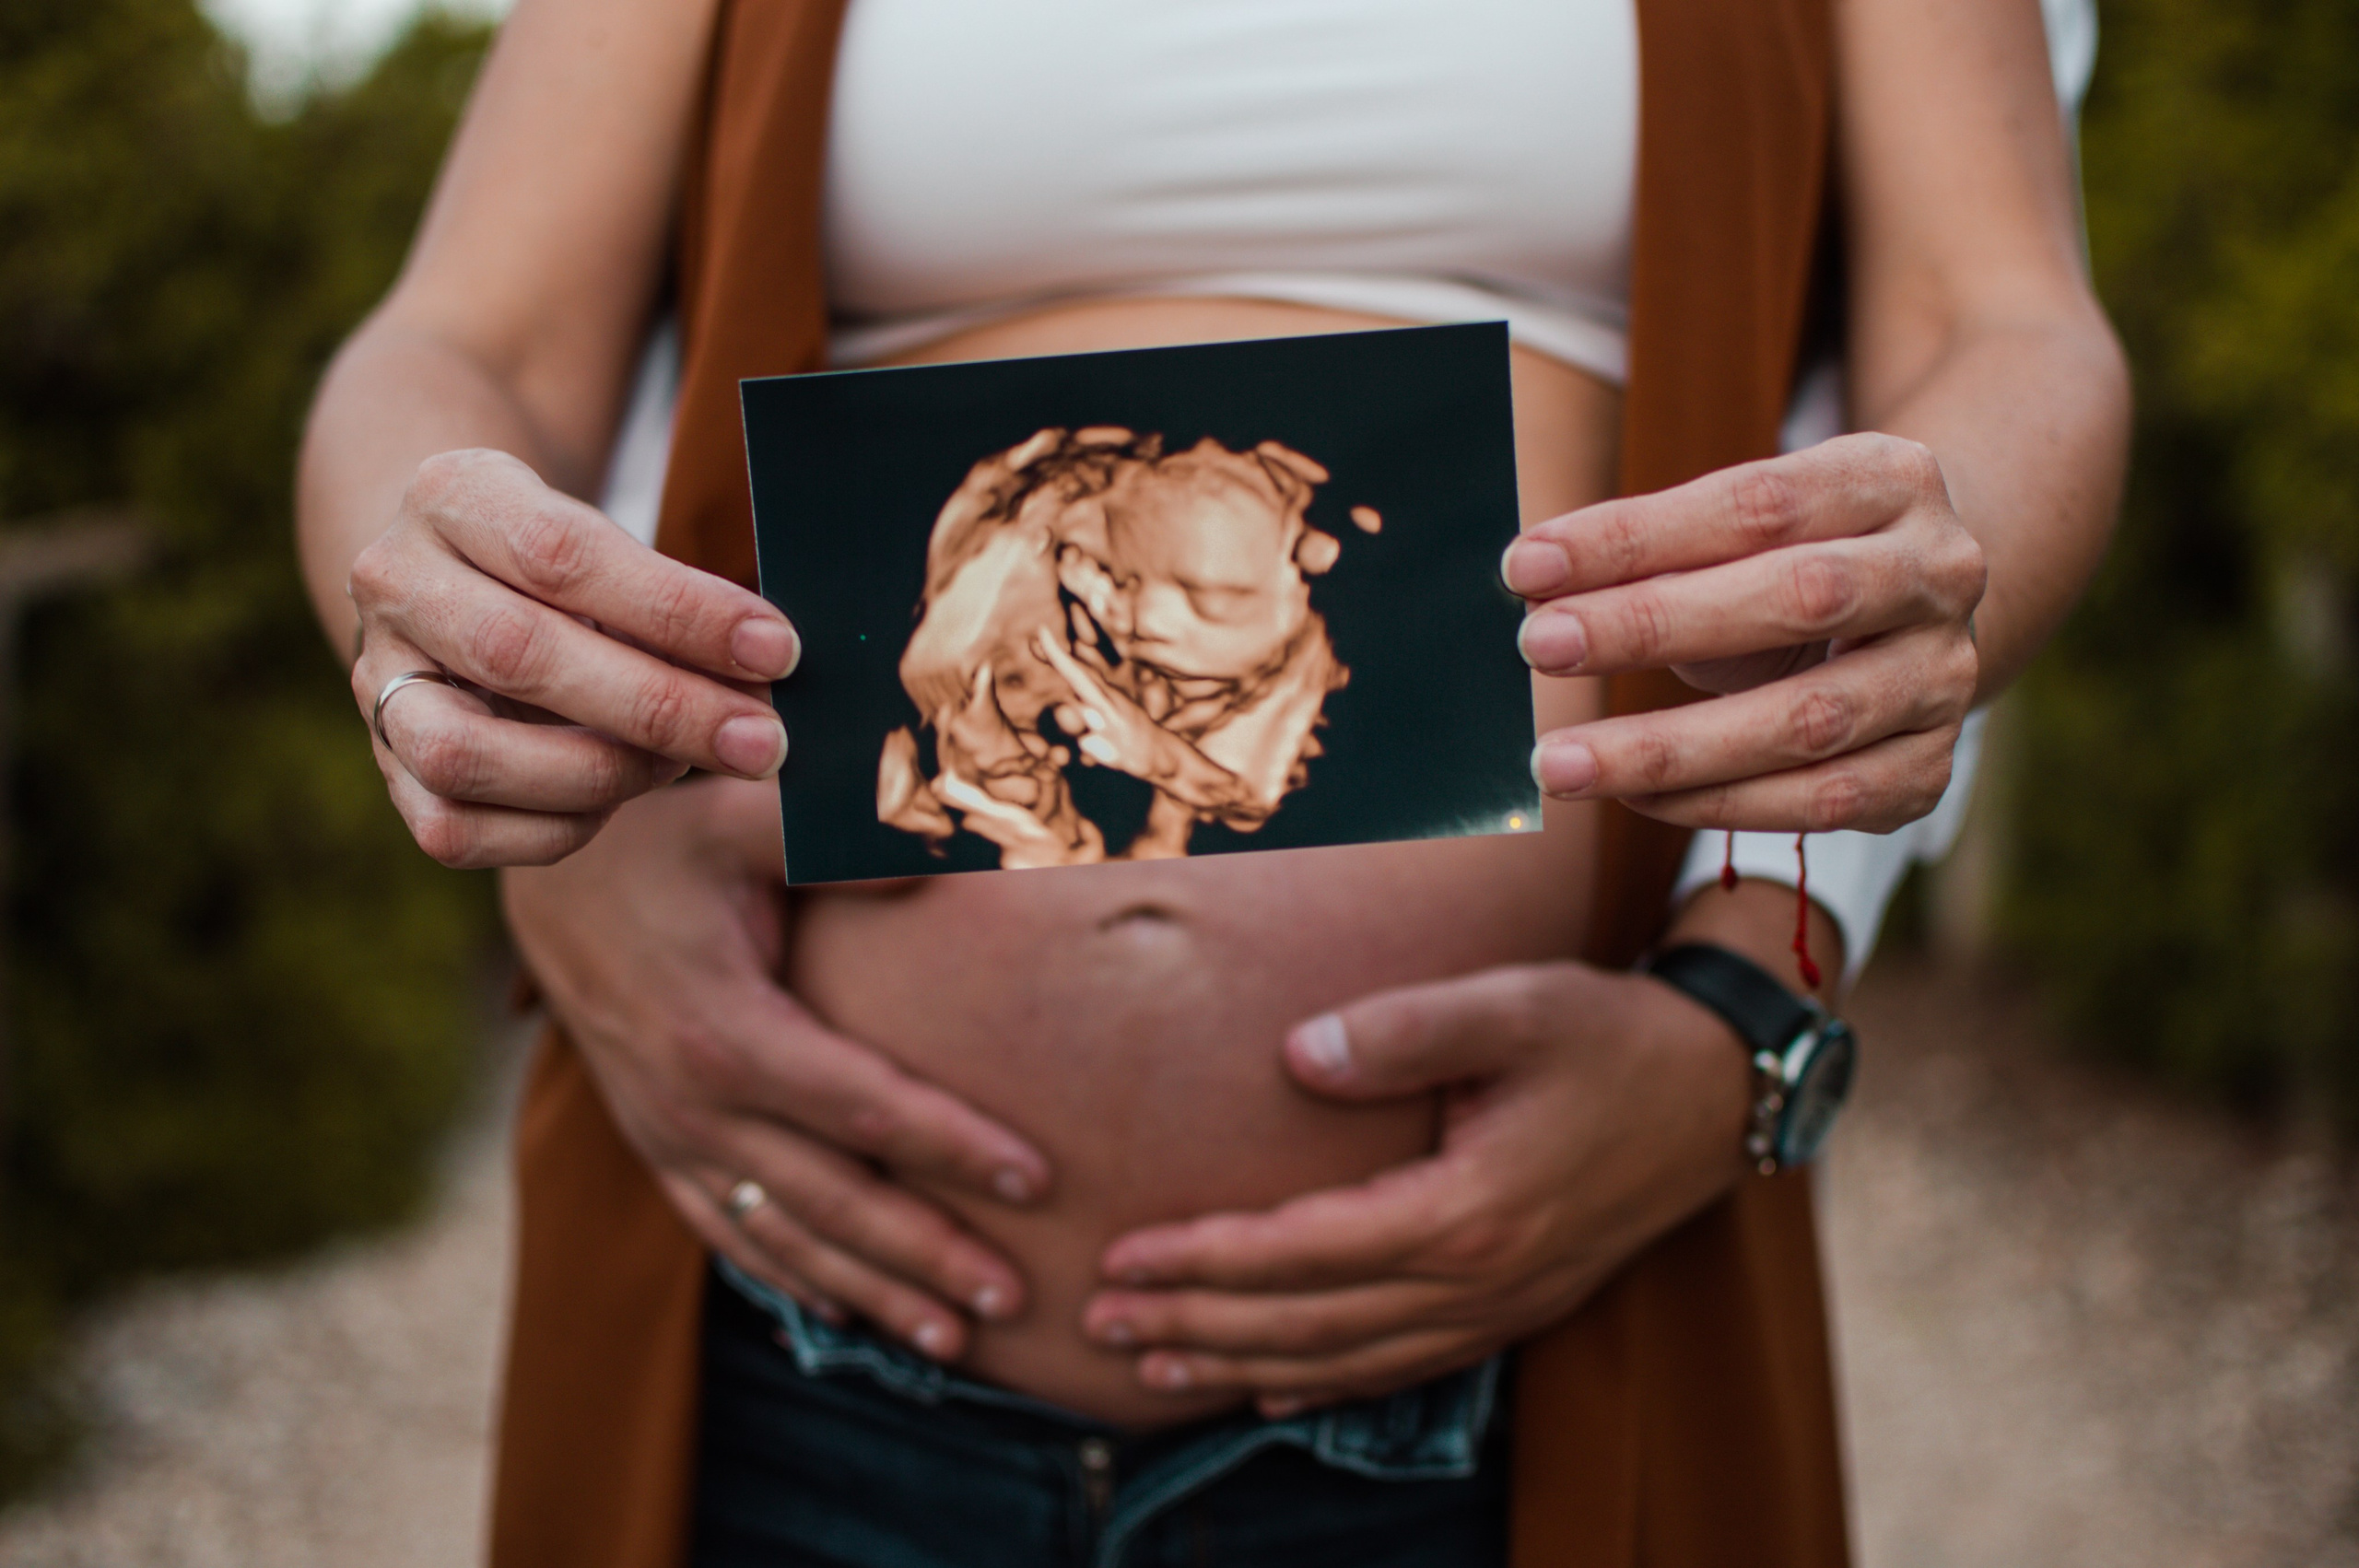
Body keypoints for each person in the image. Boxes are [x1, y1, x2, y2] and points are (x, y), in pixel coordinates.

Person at [296, 0, 2128, 1562]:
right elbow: (466, 345)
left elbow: (2004, 325)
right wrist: (457, 614)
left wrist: (1748, 1001)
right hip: (783, 1329)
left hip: (1538, 1337)